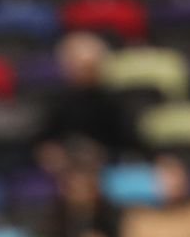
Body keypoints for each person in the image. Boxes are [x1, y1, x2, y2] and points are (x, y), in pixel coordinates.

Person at [36, 33, 140, 175]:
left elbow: (130, 146)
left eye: (88, 66)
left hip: (108, 170)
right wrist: (53, 153)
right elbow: (43, 141)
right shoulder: (55, 101)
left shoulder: (115, 103)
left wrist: (101, 155)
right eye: (76, 65)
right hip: (65, 171)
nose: (82, 72)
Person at [45, 157, 120, 237]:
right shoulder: (54, 221)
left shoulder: (111, 217)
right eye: (74, 187)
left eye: (86, 186)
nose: (81, 192)